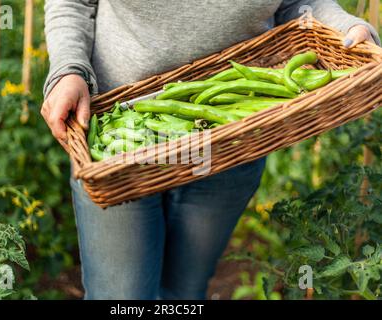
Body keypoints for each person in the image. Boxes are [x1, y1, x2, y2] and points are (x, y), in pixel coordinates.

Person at [41, 0, 379, 300]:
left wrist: (346, 27)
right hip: (121, 140)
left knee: (185, 291)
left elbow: (299, 4)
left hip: (231, 144)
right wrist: (68, 70)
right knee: (120, 295)